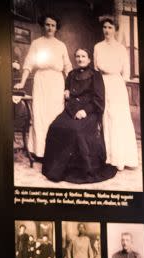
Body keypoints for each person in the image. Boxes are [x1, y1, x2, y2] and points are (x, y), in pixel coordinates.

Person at [42, 48, 116, 183]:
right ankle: (56, 167)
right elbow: (68, 96)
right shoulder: (71, 74)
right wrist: (71, 106)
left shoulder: (96, 75)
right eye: (77, 56)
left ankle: (80, 168)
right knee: (55, 126)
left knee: (76, 130)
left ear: (89, 59)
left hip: (90, 111)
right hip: (71, 110)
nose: (80, 59)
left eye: (83, 56)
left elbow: (99, 99)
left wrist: (85, 111)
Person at [14, 14, 71, 160]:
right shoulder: (36, 43)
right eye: (47, 24)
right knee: (40, 115)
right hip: (41, 81)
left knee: (55, 114)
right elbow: (28, 64)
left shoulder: (61, 45)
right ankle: (40, 152)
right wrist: (22, 82)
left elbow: (67, 67)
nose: (50, 28)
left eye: (53, 25)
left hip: (57, 82)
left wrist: (71, 86)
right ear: (43, 26)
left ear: (56, 27)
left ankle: (55, 150)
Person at [93, 17, 139, 171]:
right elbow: (95, 69)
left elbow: (126, 70)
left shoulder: (120, 48)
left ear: (115, 29)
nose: (107, 30)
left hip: (117, 85)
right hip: (102, 84)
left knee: (119, 118)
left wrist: (121, 85)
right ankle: (109, 157)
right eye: (105, 27)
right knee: (106, 117)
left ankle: (122, 157)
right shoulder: (98, 47)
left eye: (110, 27)